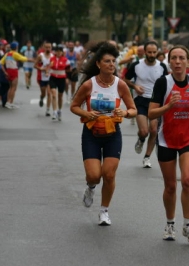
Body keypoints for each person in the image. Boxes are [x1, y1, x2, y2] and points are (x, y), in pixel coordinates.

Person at [70, 41, 137, 225]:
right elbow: (74, 106)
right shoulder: (89, 85)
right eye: (107, 61)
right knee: (94, 175)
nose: (111, 65)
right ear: (98, 64)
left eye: (113, 61)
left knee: (108, 174)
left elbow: (133, 109)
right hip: (91, 134)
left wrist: (124, 112)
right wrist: (86, 113)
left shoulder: (120, 85)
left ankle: (104, 211)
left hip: (112, 134)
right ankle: (91, 187)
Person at [148, 45, 189, 243]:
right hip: (166, 139)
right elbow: (151, 113)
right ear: (169, 62)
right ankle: (170, 223)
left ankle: (188, 225)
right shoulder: (162, 83)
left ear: (188, 62)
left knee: (187, 179)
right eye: (174, 58)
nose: (178, 62)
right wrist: (169, 106)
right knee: (171, 186)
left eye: (182, 58)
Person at [124, 41, 168, 168]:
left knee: (153, 130)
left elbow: (166, 83)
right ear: (145, 52)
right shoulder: (136, 65)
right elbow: (126, 79)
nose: (152, 54)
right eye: (149, 52)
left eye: (154, 52)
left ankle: (147, 157)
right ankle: (141, 139)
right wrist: (135, 86)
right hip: (141, 100)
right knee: (144, 131)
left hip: (155, 102)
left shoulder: (162, 67)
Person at [0, 41, 33, 109]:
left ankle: (10, 102)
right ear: (16, 47)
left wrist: (5, 72)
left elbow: (1, 63)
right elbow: (24, 58)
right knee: (14, 87)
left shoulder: (7, 54)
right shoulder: (15, 54)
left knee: (10, 87)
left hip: (8, 70)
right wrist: (33, 60)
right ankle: (9, 102)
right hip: (13, 71)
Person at [49, 45, 70, 121]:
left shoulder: (65, 60)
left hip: (61, 78)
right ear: (55, 52)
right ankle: (54, 111)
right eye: (57, 51)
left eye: (60, 51)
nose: (58, 53)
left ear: (62, 52)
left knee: (60, 96)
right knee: (54, 94)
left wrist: (67, 78)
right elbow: (49, 67)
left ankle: (59, 110)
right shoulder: (52, 59)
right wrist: (47, 70)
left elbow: (68, 70)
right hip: (53, 78)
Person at [34, 41, 53, 116]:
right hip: (42, 78)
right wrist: (42, 69)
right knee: (43, 93)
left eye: (49, 47)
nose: (48, 48)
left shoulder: (52, 56)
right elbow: (35, 65)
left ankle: (48, 110)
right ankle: (41, 98)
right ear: (44, 48)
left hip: (50, 77)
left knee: (49, 93)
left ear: (51, 48)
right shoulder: (40, 56)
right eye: (46, 47)